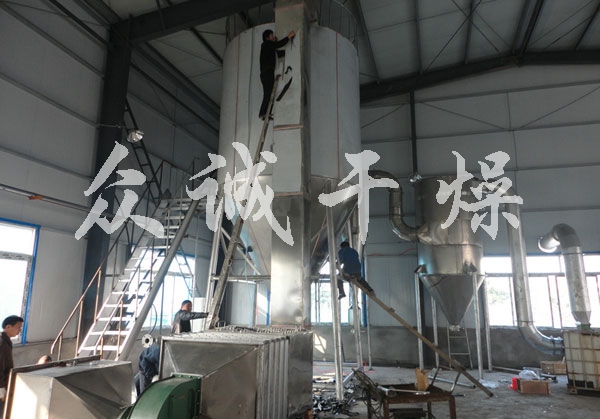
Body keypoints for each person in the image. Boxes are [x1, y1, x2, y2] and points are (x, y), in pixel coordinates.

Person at [259, 28, 295, 120]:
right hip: (267, 72)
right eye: (272, 35)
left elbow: (277, 49)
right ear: (267, 37)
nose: (273, 37)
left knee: (270, 93)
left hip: (267, 73)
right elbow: (278, 44)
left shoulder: (268, 47)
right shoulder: (266, 44)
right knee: (268, 93)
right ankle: (263, 113)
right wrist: (288, 37)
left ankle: (266, 114)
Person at [0, 315, 23, 412]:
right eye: (18, 327)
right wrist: (1, 387)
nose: (20, 330)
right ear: (8, 327)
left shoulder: (6, 341)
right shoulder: (2, 342)